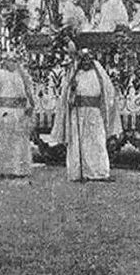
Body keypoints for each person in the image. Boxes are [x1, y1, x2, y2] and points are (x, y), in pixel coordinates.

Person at [50, 49, 122, 182]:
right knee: (78, 142)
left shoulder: (99, 74)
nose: (86, 62)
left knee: (97, 141)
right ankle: (78, 172)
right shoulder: (75, 75)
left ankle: (99, 172)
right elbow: (67, 98)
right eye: (83, 60)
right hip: (78, 113)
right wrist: (72, 93)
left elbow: (108, 93)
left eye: (88, 59)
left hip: (94, 113)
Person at [0, 54, 36, 178]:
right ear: (5, 62)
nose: (13, 63)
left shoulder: (22, 75)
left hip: (19, 113)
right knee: (4, 142)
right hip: (3, 112)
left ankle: (19, 169)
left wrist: (30, 107)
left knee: (19, 142)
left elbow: (28, 91)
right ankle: (5, 170)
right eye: (10, 61)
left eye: (15, 61)